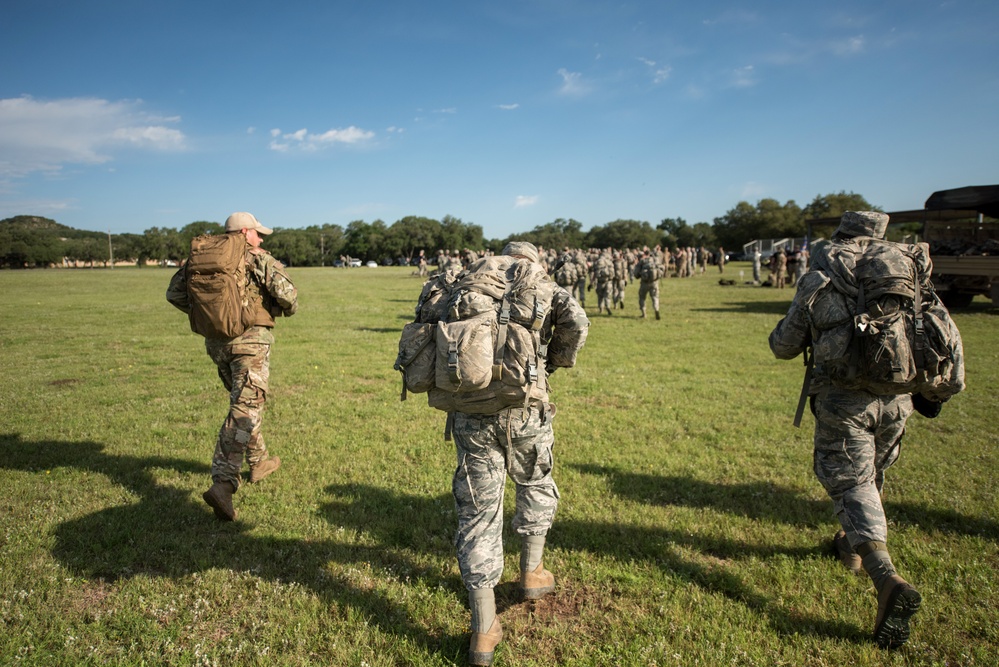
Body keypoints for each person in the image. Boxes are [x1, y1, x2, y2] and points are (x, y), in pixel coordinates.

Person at [768, 210, 964, 650]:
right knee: (873, 472)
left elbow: (784, 345)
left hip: (844, 398)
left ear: (842, 233)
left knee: (850, 480)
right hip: (899, 396)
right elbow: (944, 334)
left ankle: (886, 578)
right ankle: (850, 546)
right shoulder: (908, 267)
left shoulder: (825, 271)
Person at [428, 241, 589, 666]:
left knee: (478, 512)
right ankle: (532, 573)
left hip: (471, 412)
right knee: (535, 481)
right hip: (526, 410)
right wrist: (549, 364)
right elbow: (577, 323)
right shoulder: (539, 282)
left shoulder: (465, 280)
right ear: (532, 259)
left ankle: (484, 629)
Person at [166, 212, 298, 521]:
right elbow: (290, 298)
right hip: (250, 343)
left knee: (244, 403)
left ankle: (260, 460)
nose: (261, 239)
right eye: (257, 233)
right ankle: (223, 483)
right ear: (244, 231)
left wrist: (210, 313)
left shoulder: (202, 257)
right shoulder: (255, 257)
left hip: (217, 344)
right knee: (244, 409)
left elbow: (174, 294)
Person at [635, 248, 663, 319]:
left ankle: (644, 314)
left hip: (644, 283)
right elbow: (662, 268)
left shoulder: (642, 261)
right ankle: (656, 309)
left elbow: (636, 274)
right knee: (655, 297)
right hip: (654, 282)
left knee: (642, 298)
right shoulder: (655, 260)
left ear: (644, 254)